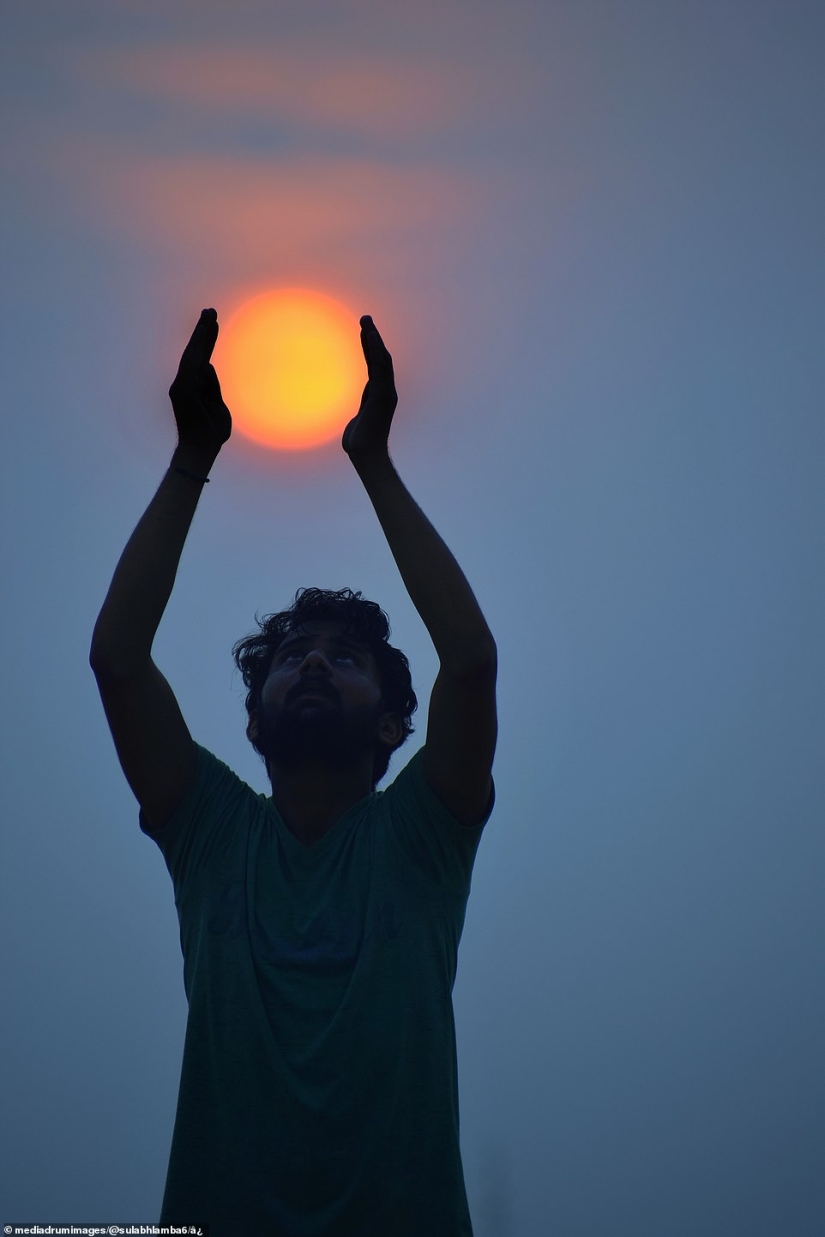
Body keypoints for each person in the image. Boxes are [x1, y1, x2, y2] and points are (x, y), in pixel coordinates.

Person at [89, 308, 498, 1236]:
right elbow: (117, 656)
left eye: (344, 659)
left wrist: (373, 460)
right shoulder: (211, 834)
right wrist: (193, 453)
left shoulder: (423, 835)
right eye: (294, 656)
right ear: (251, 718)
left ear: (397, 723)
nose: (314, 663)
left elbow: (468, 663)